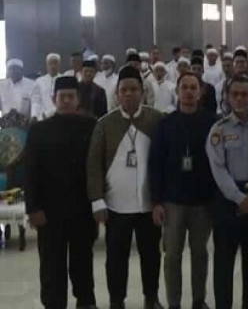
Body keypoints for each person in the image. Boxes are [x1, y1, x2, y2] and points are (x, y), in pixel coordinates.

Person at [86, 66, 165, 309]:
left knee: (151, 255)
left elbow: (165, 160)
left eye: (133, 89)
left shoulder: (156, 120)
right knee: (116, 258)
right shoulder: (104, 124)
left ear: (142, 92)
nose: (129, 94)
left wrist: (162, 199)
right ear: (117, 94)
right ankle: (116, 299)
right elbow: (93, 164)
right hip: (115, 205)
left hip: (148, 204)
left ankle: (151, 297)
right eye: (124, 90)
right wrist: (97, 200)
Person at [25, 76, 99, 309]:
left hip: (83, 209)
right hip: (49, 212)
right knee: (51, 264)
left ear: (78, 99)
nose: (66, 100)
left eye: (70, 96)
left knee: (83, 261)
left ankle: (85, 302)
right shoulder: (39, 130)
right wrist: (33, 208)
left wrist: (98, 204)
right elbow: (31, 172)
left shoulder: (92, 126)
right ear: (53, 99)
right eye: (62, 96)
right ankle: (53, 304)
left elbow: (98, 168)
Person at [149, 72, 217, 309]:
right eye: (184, 88)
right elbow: (155, 164)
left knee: (200, 253)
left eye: (193, 88)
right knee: (172, 256)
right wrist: (156, 201)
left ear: (200, 92)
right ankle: (174, 303)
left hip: (202, 202)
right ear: (177, 92)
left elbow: (218, 163)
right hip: (172, 201)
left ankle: (199, 300)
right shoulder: (165, 125)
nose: (188, 92)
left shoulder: (212, 123)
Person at [206, 75, 248, 309]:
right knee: (224, 259)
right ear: (227, 98)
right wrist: (239, 198)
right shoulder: (218, 130)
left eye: (245, 94)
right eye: (235, 94)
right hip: (227, 200)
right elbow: (218, 169)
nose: (240, 99)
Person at [32, 53, 62, 120]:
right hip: (42, 117)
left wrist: (49, 113)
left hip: (58, 116)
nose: (52, 66)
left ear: (59, 65)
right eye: (50, 63)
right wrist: (34, 115)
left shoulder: (63, 79)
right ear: (46, 65)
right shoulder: (39, 81)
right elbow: (36, 100)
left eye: (55, 63)